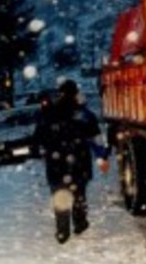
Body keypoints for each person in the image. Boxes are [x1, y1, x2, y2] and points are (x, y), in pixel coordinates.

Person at [34, 79, 110, 244]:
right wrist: (101, 157)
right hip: (78, 162)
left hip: (56, 164)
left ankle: (62, 231)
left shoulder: (47, 114)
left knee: (60, 196)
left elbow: (38, 138)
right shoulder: (84, 114)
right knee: (79, 194)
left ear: (60, 94)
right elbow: (95, 139)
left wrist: (44, 151)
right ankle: (80, 223)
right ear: (76, 94)